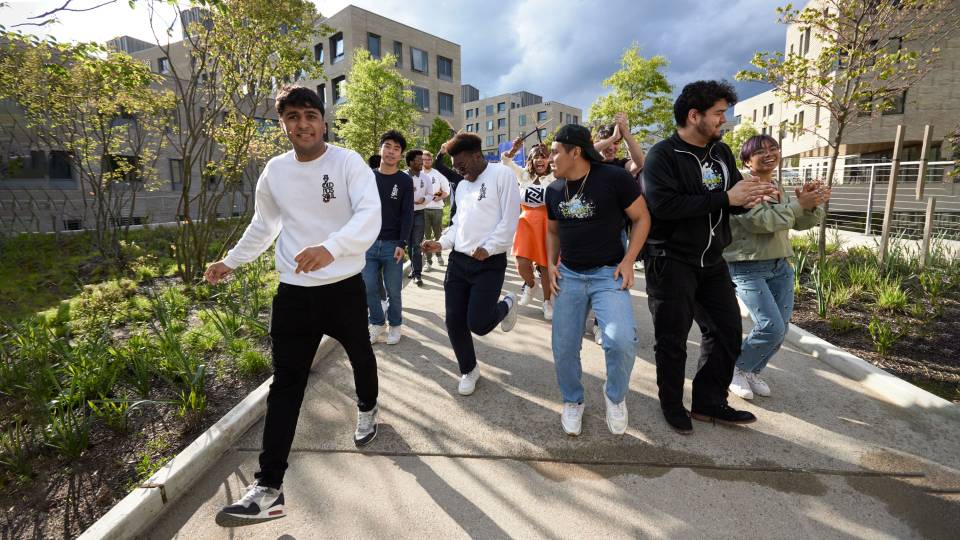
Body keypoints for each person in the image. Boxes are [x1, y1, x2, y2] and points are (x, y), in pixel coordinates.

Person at [205, 86, 381, 519]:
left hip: (343, 287)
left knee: (360, 354)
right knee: (285, 384)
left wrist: (332, 248)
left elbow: (369, 215)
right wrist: (231, 261)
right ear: (283, 124)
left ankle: (367, 408)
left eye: (310, 115)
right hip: (294, 294)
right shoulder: (275, 171)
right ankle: (268, 487)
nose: (302, 124)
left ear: (323, 121)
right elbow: (264, 225)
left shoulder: (347, 163)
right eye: (293, 117)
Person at [641, 80, 777, 435]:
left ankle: (708, 402)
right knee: (672, 339)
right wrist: (727, 199)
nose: (723, 120)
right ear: (694, 115)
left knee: (726, 330)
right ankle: (672, 405)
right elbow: (664, 206)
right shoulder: (662, 155)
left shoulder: (721, 154)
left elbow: (731, 199)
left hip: (712, 260)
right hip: (670, 260)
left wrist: (750, 198)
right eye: (718, 113)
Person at [546, 124, 651, 436]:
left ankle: (614, 397)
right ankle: (572, 400)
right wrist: (550, 264)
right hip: (569, 276)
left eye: (555, 152)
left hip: (609, 274)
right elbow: (552, 231)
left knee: (621, 341)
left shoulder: (613, 178)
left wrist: (629, 260)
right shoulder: (554, 190)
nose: (550, 158)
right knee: (564, 346)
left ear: (575, 152)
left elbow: (642, 218)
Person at [724, 135, 830, 400]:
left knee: (780, 329)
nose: (769, 153)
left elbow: (797, 223)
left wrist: (811, 205)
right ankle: (736, 369)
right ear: (747, 161)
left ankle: (751, 370)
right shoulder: (743, 186)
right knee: (770, 326)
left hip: (779, 265)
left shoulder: (777, 186)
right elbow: (760, 222)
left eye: (773, 148)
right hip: (748, 266)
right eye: (760, 151)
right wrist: (798, 206)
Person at [422, 132, 522, 396]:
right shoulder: (463, 186)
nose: (458, 170)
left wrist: (490, 247)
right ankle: (469, 369)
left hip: (488, 262)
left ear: (477, 156)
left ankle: (507, 304)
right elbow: (458, 224)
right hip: (458, 262)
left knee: (478, 323)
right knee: (454, 321)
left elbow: (510, 219)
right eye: (455, 166)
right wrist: (441, 243)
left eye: (461, 164)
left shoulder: (502, 175)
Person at [364, 130, 414, 346]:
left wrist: (402, 243)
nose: (391, 152)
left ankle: (395, 324)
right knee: (368, 286)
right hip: (368, 243)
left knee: (393, 289)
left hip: (393, 244)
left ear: (401, 154)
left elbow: (407, 214)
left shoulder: (404, 181)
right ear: (380, 149)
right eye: (388, 146)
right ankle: (376, 322)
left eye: (396, 148)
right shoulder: (367, 177)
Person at [501, 138, 556, 320]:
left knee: (545, 266)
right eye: (536, 157)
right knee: (521, 263)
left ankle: (547, 301)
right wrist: (514, 149)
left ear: (549, 159)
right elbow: (506, 162)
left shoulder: (556, 177)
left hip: (547, 224)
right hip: (525, 223)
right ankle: (531, 285)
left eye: (543, 156)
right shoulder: (524, 175)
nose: (540, 160)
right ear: (530, 160)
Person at [406, 149, 436, 287]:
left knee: (416, 245)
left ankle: (417, 274)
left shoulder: (425, 178)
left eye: (422, 160)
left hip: (419, 213)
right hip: (405, 215)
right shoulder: (402, 176)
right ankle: (414, 269)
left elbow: (430, 194)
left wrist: (424, 199)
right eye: (419, 160)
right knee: (409, 244)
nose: (422, 163)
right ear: (411, 162)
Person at [422, 150, 450, 271]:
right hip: (423, 209)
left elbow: (446, 189)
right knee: (426, 236)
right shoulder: (418, 174)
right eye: (424, 159)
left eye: (429, 159)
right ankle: (428, 262)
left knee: (438, 234)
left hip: (437, 209)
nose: (426, 161)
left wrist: (438, 196)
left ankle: (439, 255)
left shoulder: (437, 174)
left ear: (431, 160)